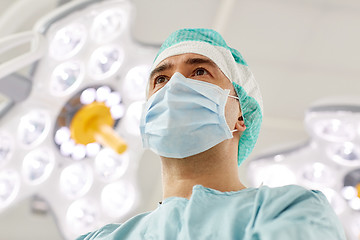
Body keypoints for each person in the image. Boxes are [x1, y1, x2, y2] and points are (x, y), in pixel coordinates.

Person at [77, 28, 346, 240]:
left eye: (199, 71)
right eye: (161, 79)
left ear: (241, 115)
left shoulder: (291, 210)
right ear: (147, 115)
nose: (175, 87)